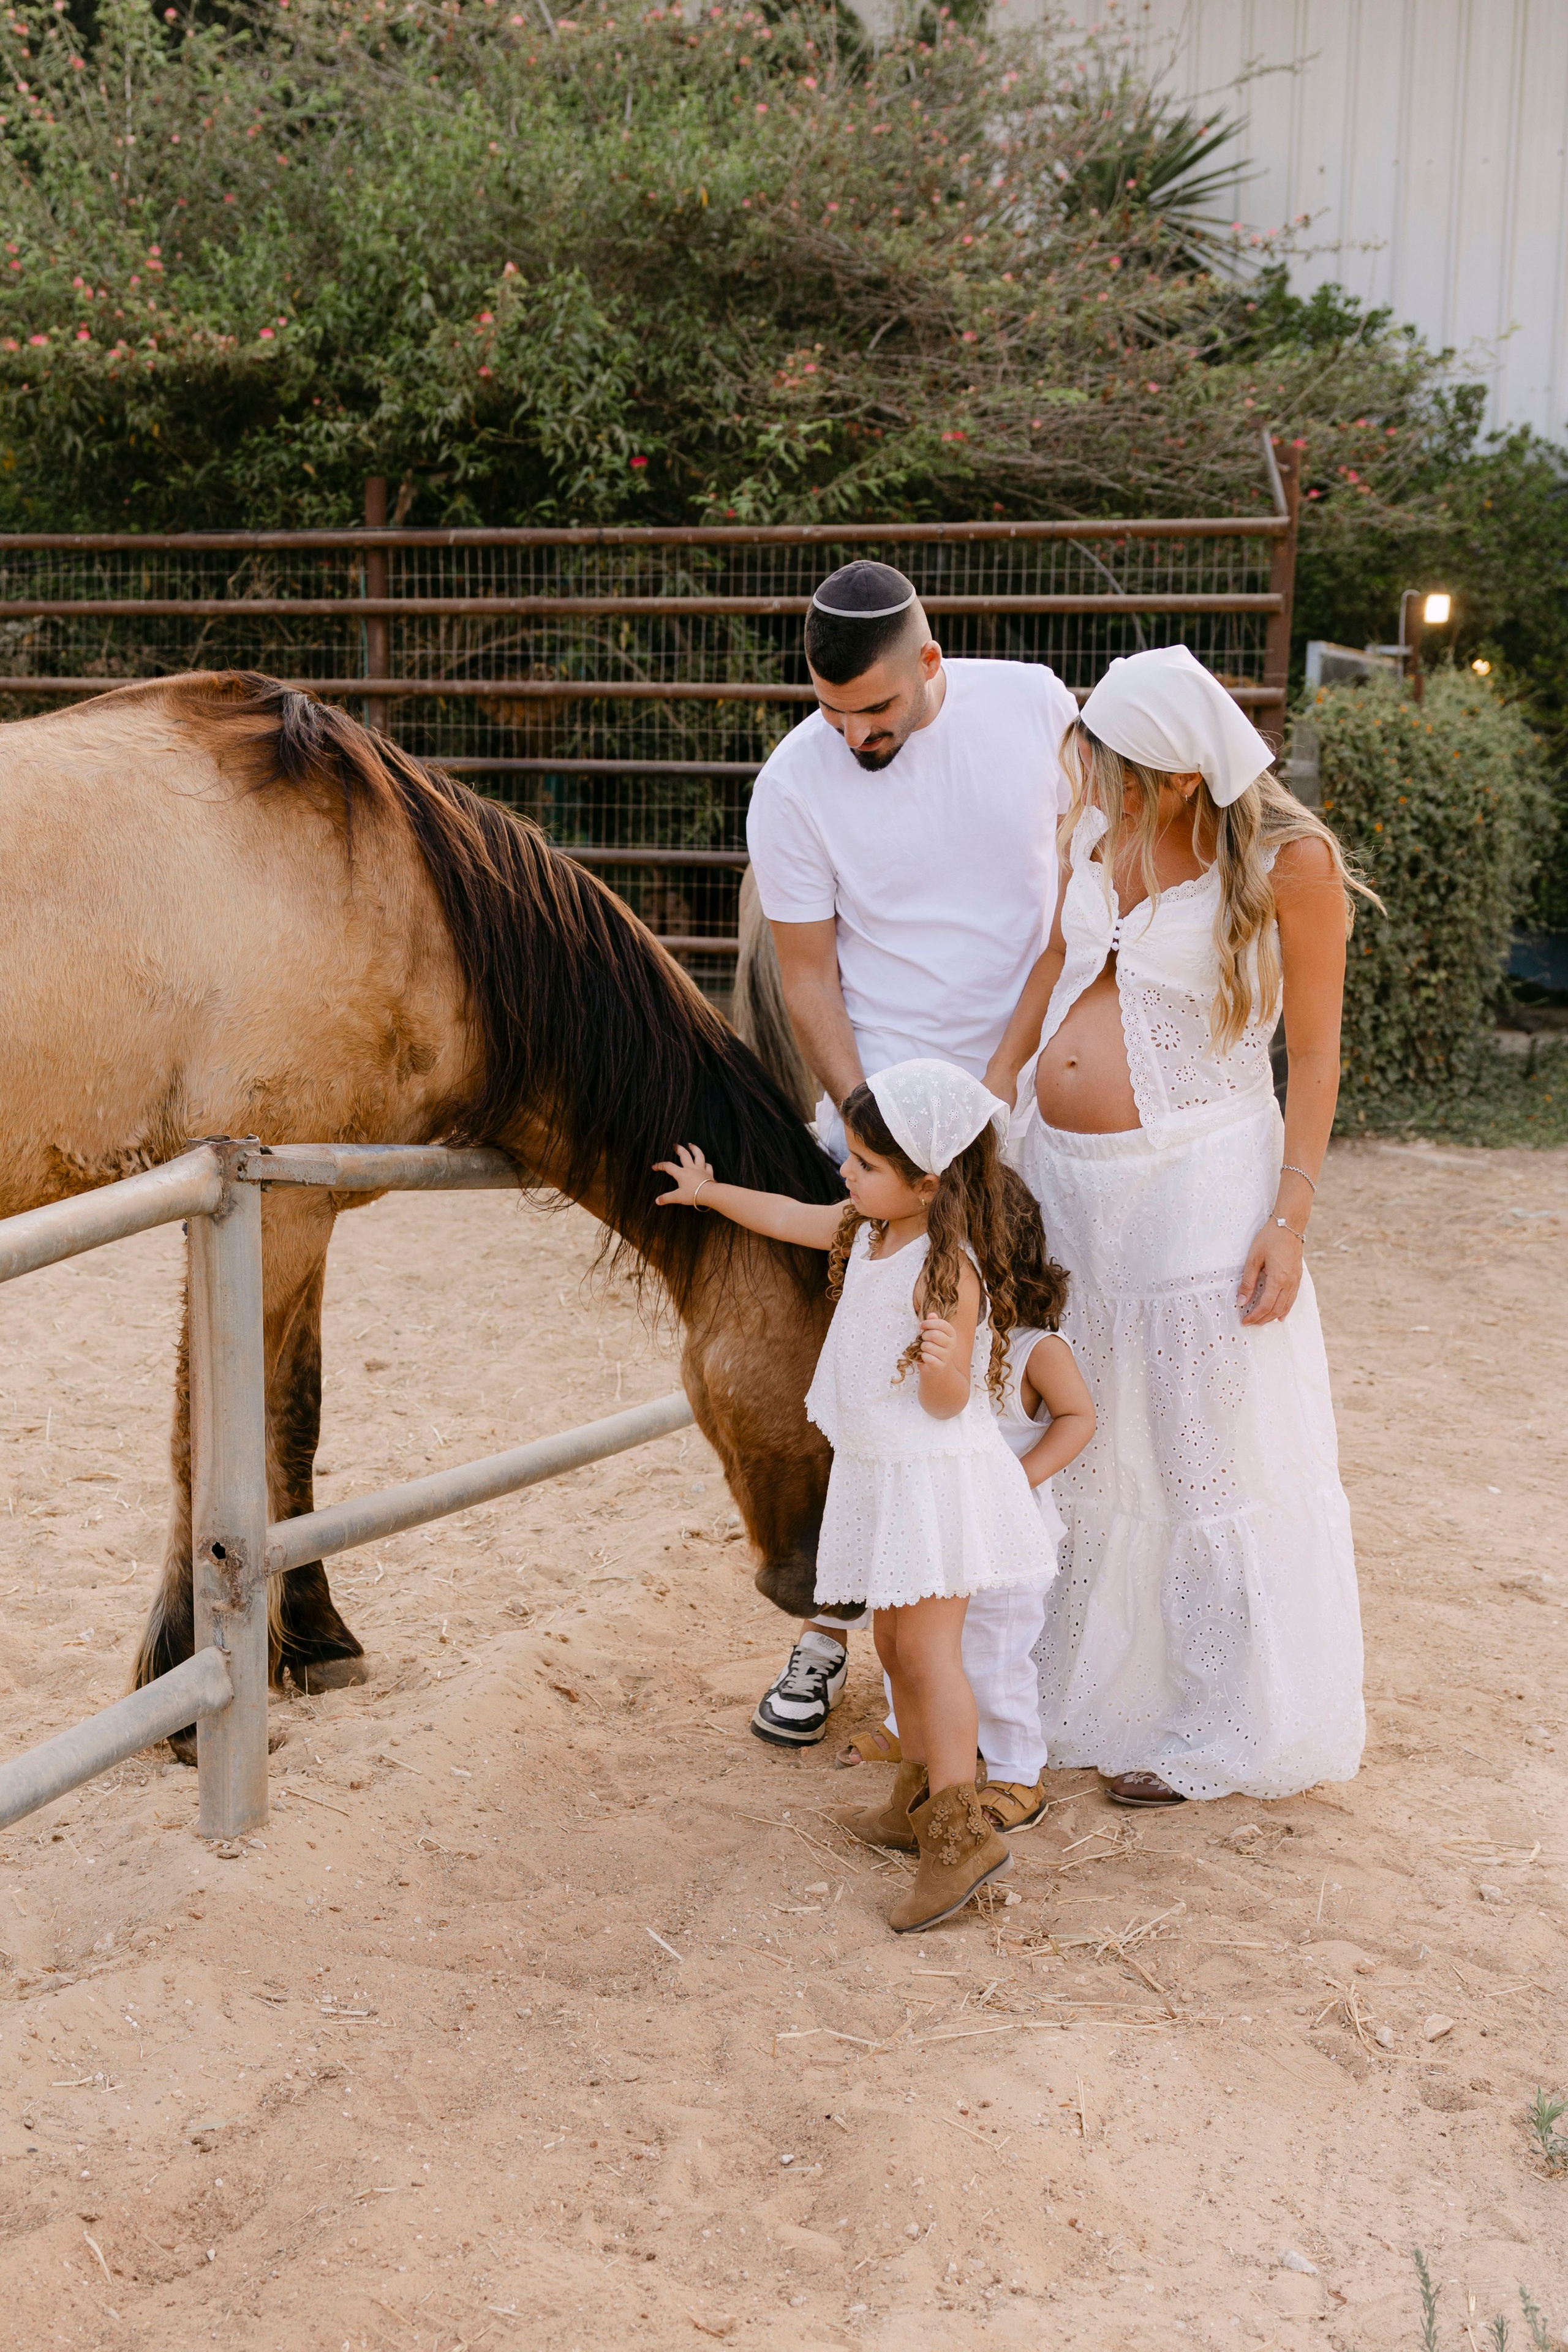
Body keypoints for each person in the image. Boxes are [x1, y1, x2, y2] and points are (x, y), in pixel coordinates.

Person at [985, 644, 1371, 1806]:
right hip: (1066, 1180)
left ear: (1185, 776)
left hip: (1200, 1178)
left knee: (1198, 1449)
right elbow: (1053, 964)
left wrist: (1290, 1217)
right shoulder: (1101, 833)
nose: (1094, 786)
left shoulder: (1293, 866)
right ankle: (1059, 1695)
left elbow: (1316, 1057)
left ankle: (1216, 1723)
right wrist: (991, 1104)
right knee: (1077, 1423)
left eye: (1117, 770)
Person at [743, 557, 1079, 1803]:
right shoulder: (793, 783)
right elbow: (806, 976)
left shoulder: (1031, 705)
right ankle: (836, 1634)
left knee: (1009, 1385)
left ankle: (1001, 1712)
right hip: (892, 1129)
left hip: (1027, 1110)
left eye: (874, 712)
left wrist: (1007, 1078)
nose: (852, 736)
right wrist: (866, 1125)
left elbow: (1070, 903)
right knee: (876, 1385)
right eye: (830, 713)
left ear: (929, 664)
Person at [655, 1061, 1074, 1931]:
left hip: (930, 1484)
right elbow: (789, 1216)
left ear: (928, 1183)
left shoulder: (945, 1273)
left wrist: (946, 1364)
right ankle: (914, 1799)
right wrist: (710, 1193)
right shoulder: (868, 1229)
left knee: (930, 1655)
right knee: (890, 1641)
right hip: (883, 1472)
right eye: (850, 1156)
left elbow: (948, 1406)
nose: (845, 1172)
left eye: (865, 1163)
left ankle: (959, 1839)